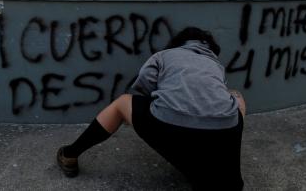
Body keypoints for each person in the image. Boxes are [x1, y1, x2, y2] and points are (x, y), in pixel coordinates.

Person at [56, 27, 246, 190]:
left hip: (171, 125)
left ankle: (70, 155)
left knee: (122, 103)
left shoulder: (164, 55)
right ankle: (217, 166)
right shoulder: (215, 64)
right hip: (225, 133)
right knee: (236, 97)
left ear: (179, 42)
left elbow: (145, 86)